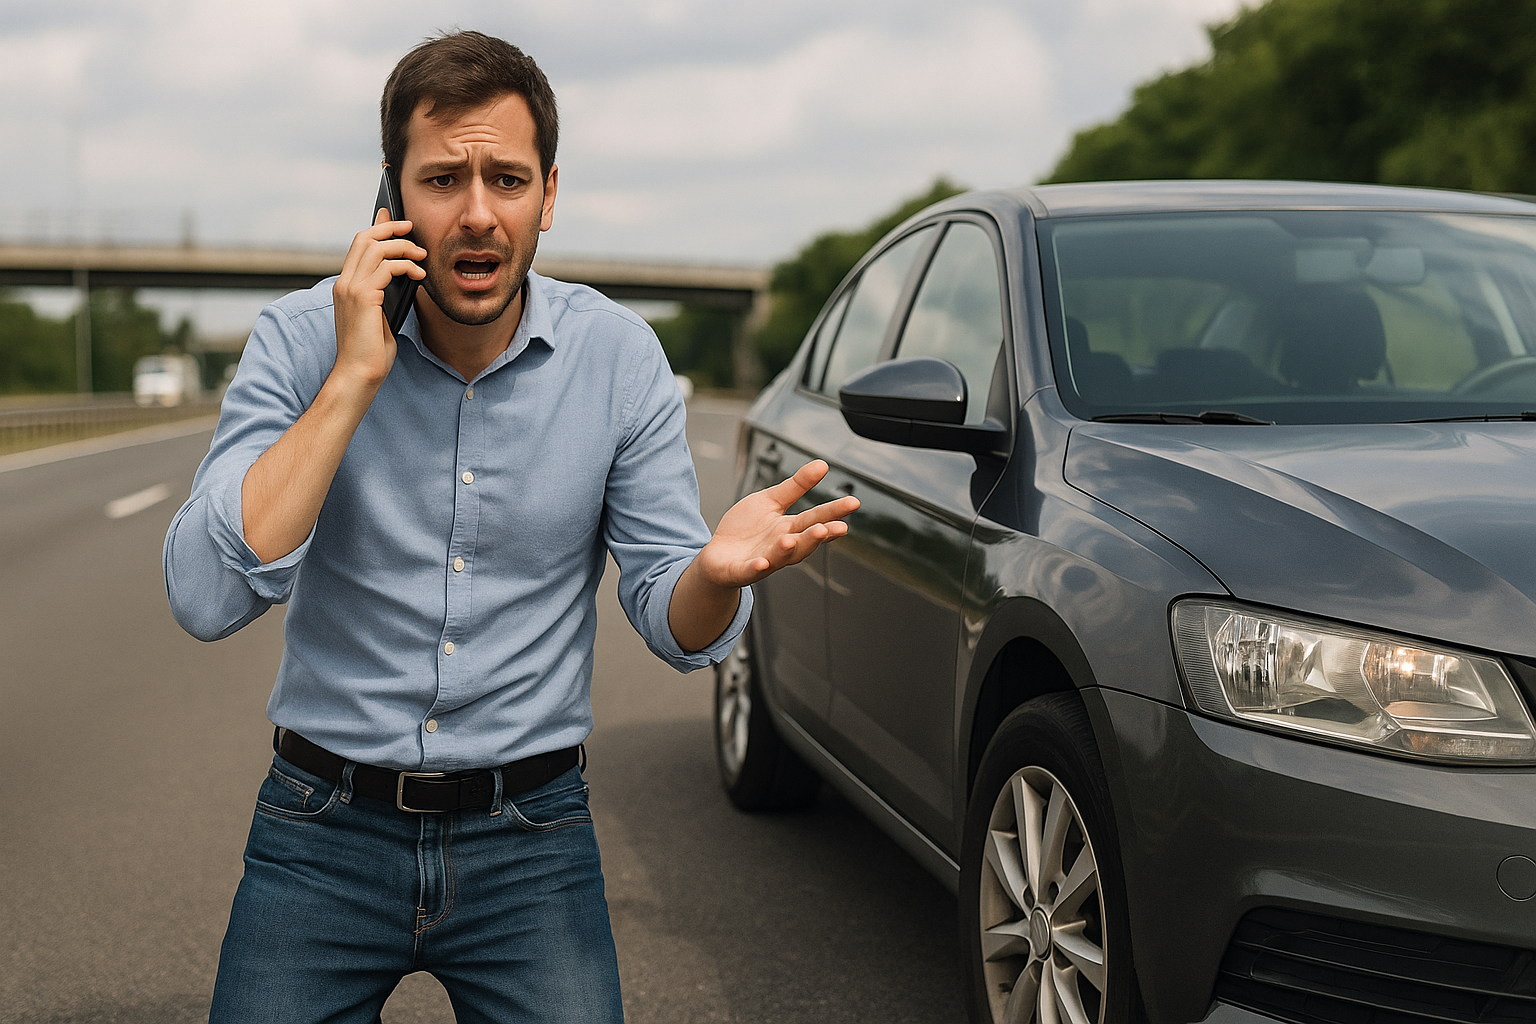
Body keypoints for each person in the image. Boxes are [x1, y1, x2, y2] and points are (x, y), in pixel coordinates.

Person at [163, 29, 857, 1023]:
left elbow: (675, 621)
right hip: (319, 831)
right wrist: (355, 374)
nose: (479, 213)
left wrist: (716, 571)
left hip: (529, 837)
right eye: (443, 179)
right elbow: (202, 596)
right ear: (391, 201)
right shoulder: (301, 339)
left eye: (508, 178)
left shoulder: (619, 358)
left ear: (549, 194)